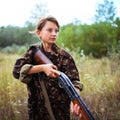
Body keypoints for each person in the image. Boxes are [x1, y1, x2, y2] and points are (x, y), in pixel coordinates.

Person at [13, 16, 83, 120]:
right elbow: (17, 71)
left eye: (56, 31)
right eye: (49, 30)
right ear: (39, 33)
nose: (54, 33)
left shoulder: (64, 56)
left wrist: (74, 101)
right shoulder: (32, 53)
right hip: (36, 111)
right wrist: (42, 68)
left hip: (60, 113)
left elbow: (75, 82)